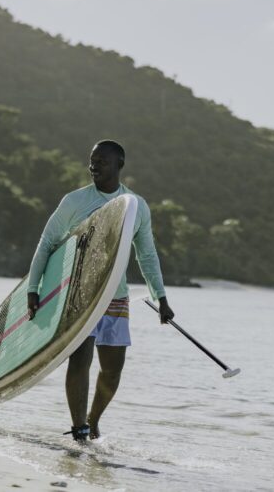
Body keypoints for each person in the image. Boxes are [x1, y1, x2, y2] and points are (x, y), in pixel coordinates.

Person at [26, 140, 174, 442]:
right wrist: (34, 287)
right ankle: (79, 427)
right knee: (80, 359)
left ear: (119, 165)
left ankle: (93, 420)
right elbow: (48, 242)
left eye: (102, 161)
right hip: (79, 293)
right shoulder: (74, 201)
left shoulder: (136, 206)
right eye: (92, 161)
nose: (94, 166)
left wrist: (161, 298)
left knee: (112, 370)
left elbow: (146, 255)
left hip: (114, 295)